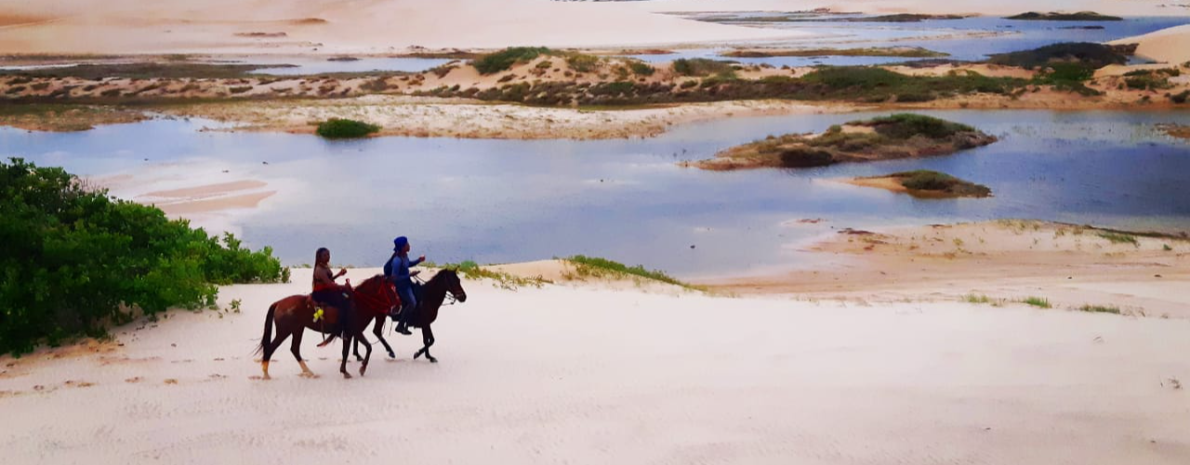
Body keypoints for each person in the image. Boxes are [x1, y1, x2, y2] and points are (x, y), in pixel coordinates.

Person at [386, 236, 425, 336]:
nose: (409, 245)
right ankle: (400, 325)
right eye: (407, 244)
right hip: (402, 286)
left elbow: (408, 264)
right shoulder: (397, 261)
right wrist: (409, 275)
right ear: (403, 247)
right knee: (412, 302)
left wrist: (418, 260)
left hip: (407, 282)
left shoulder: (405, 256)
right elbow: (394, 278)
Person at [311, 247, 353, 337]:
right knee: (343, 302)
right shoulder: (319, 269)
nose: (328, 257)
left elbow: (329, 280)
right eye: (325, 255)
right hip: (321, 294)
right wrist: (343, 287)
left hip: (328, 290)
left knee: (347, 297)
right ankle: (339, 329)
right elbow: (329, 284)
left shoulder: (325, 267)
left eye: (328, 255)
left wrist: (339, 274)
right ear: (320, 257)